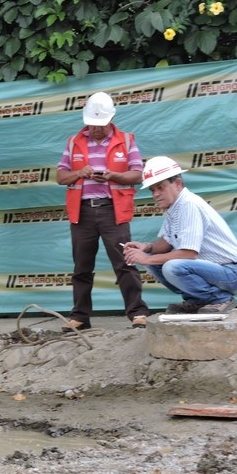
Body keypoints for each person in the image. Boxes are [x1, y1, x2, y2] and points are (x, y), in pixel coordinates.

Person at [56, 91, 150, 330]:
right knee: (82, 267)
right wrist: (79, 173)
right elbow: (60, 176)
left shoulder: (126, 140)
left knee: (124, 263)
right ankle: (80, 317)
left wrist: (112, 175)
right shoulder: (73, 142)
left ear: (111, 119)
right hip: (82, 212)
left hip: (113, 211)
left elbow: (138, 174)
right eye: (92, 124)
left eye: (101, 124)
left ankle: (137, 313)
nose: (96, 129)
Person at [123, 156, 237, 314]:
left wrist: (146, 258)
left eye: (161, 187)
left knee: (173, 266)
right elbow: (165, 242)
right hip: (220, 271)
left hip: (233, 273)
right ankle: (197, 300)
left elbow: (189, 254)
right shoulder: (176, 206)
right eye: (153, 190)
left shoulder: (189, 204)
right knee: (154, 259)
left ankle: (220, 299)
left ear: (178, 184)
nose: (156, 194)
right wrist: (146, 248)